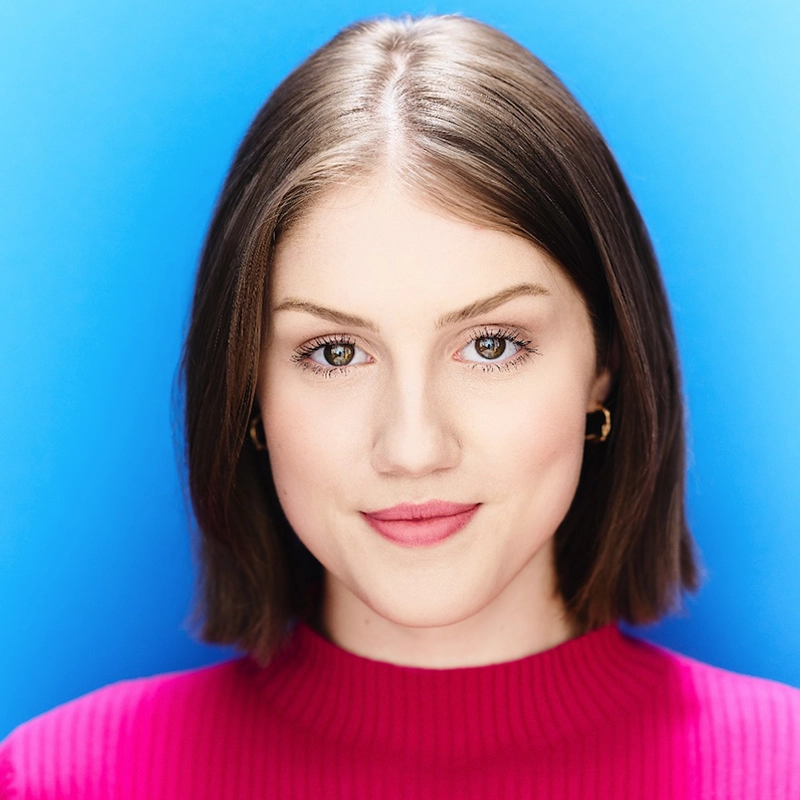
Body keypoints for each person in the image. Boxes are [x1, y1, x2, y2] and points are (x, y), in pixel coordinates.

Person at [2, 14, 798, 799]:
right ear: (248, 389)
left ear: (605, 367)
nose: (413, 448)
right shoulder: (60, 782)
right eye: (335, 353)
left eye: (491, 345)